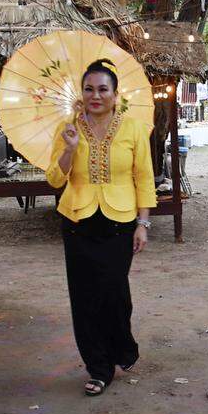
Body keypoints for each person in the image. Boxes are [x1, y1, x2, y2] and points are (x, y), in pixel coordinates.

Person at [46, 58, 156, 396]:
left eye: (102, 89)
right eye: (89, 89)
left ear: (115, 93)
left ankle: (123, 345)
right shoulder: (67, 128)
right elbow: (54, 178)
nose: (96, 95)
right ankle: (98, 367)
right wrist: (70, 148)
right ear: (82, 94)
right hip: (78, 220)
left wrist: (143, 223)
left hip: (121, 221)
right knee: (84, 296)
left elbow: (144, 177)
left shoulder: (134, 128)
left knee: (114, 292)